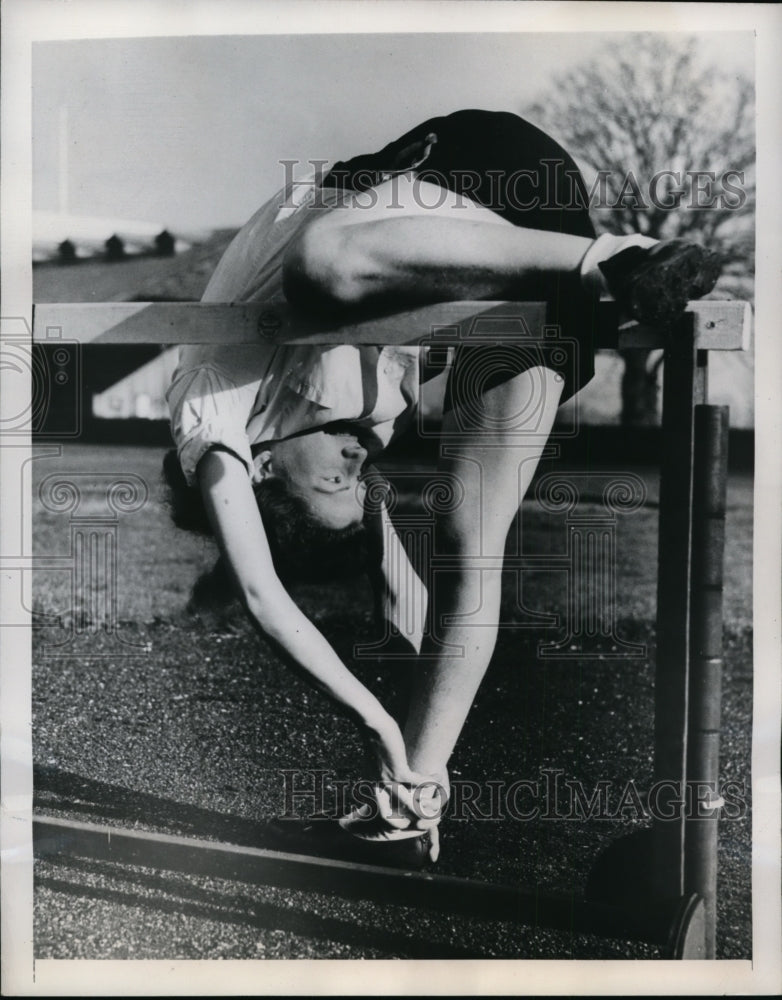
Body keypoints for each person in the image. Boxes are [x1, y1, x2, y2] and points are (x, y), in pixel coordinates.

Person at [166, 109, 720, 866]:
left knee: (318, 264)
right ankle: (408, 811)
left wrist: (378, 726)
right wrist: (405, 762)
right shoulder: (348, 440)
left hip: (466, 171)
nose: (359, 462)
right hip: (515, 269)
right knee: (472, 550)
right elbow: (407, 600)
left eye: (335, 473)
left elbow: (265, 598)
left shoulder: (209, 405)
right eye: (356, 482)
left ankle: (623, 259)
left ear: (259, 467)